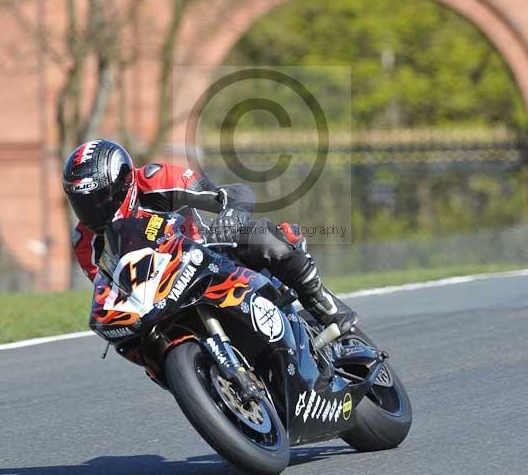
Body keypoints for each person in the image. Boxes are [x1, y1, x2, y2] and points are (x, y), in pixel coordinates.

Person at [63, 139, 357, 344]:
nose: (94, 210)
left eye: (101, 198)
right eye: (83, 202)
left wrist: (230, 215)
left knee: (264, 238)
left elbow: (232, 194)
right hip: (158, 297)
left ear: (124, 183)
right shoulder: (85, 242)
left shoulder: (156, 180)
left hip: (209, 256)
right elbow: (109, 291)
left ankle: (323, 303)